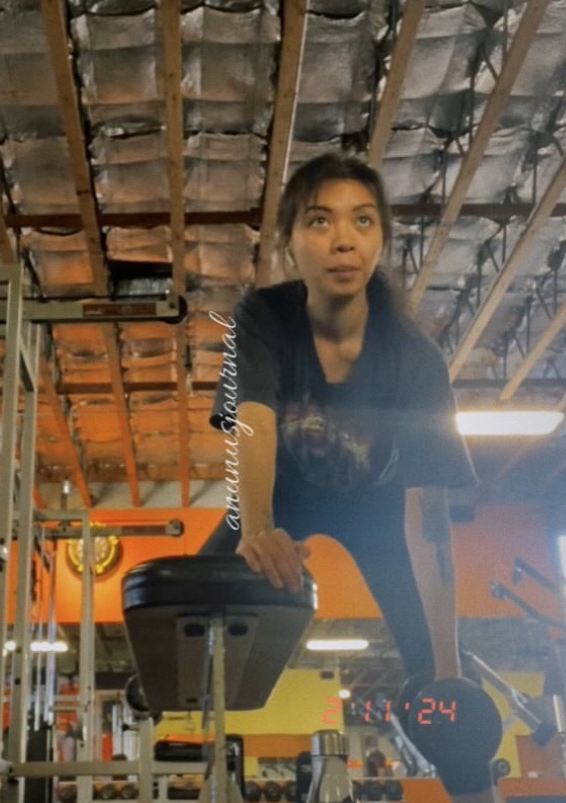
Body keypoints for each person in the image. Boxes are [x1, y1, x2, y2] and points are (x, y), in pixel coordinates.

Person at [202, 153, 497, 803]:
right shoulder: (263, 317)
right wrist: (257, 528)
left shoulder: (415, 358)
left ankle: (476, 791)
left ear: (381, 237)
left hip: (378, 508)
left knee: (445, 675)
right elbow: (253, 422)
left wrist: (446, 673)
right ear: (289, 242)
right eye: (320, 221)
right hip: (283, 492)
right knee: (188, 596)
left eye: (363, 220)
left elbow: (429, 519)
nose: (343, 239)